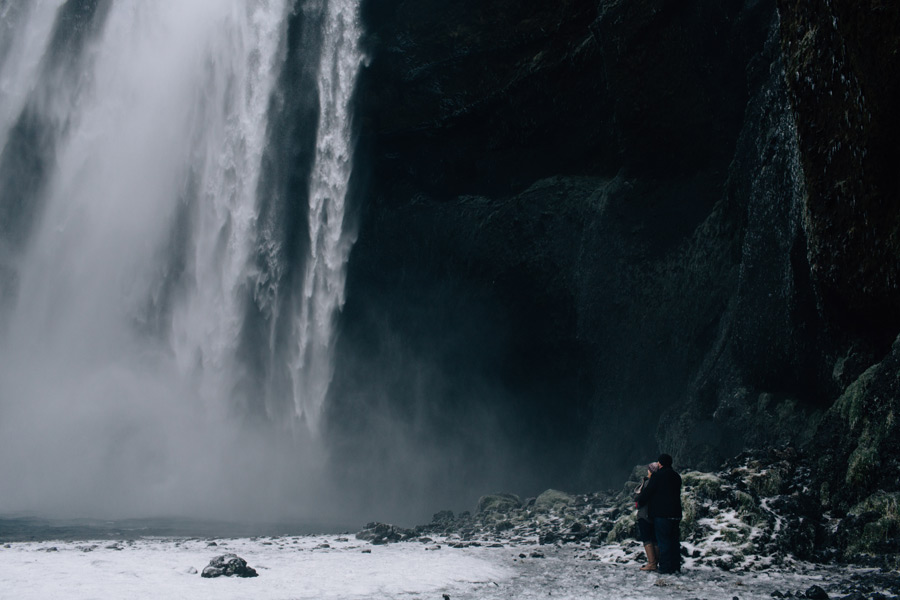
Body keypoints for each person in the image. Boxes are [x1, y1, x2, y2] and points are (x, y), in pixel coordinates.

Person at [636, 453, 682, 574]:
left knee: (663, 540)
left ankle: (665, 567)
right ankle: (676, 566)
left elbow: (648, 492)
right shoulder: (676, 476)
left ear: (660, 463)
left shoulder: (657, 476)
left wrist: (640, 502)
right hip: (676, 513)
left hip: (662, 514)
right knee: (674, 541)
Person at [634, 462, 660, 571]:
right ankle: (656, 562)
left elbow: (641, 498)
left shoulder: (648, 483)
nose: (647, 471)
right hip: (655, 514)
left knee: (647, 538)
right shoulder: (659, 483)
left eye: (649, 470)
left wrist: (638, 502)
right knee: (654, 538)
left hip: (645, 513)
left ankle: (652, 563)